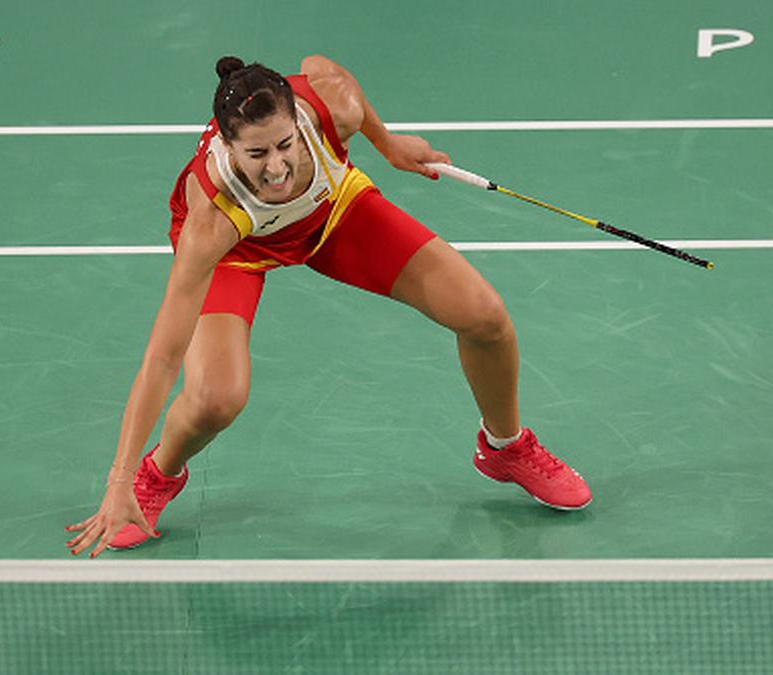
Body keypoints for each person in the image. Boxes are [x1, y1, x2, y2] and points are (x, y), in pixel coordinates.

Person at [66, 55, 591, 558]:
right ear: (227, 145)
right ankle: (157, 475)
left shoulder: (329, 106)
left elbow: (324, 67)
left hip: (332, 214)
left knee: (484, 316)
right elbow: (163, 358)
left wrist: (388, 145)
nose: (277, 167)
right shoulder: (211, 220)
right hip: (238, 251)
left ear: (298, 122)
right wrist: (117, 480)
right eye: (257, 154)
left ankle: (504, 447)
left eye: (285, 145)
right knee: (214, 400)